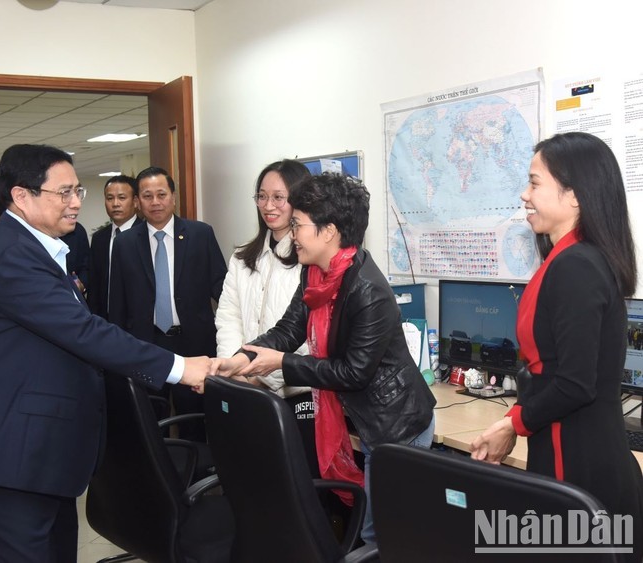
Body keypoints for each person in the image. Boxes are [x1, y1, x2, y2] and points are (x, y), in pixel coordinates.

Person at [0, 145, 213, 563]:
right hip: (8, 458)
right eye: (64, 193)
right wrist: (179, 367)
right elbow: (83, 331)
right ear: (22, 196)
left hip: (39, 456)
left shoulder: (38, 248)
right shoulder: (13, 256)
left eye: (77, 192)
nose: (75, 203)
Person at [213, 172, 436, 546]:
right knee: (373, 531)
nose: (293, 233)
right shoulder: (317, 272)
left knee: (383, 536)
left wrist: (281, 364)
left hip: (398, 426)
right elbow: (288, 329)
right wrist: (242, 357)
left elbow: (353, 372)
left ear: (328, 231)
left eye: (298, 224)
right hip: (370, 421)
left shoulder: (368, 290)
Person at [470, 132, 643, 559]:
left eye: (534, 183)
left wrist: (514, 424)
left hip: (578, 459)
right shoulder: (571, 259)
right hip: (570, 446)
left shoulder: (577, 266)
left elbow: (575, 382)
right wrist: (518, 419)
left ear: (575, 196)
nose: (524, 194)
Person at [215, 159, 318, 474]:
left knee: (299, 484)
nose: (268, 205)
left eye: (278, 197)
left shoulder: (311, 261)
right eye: (262, 196)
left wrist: (263, 376)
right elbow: (228, 317)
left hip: (295, 394)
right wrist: (236, 370)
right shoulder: (243, 257)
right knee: (258, 481)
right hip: (247, 386)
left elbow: (305, 334)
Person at [110, 166, 227, 441]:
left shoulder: (200, 234)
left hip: (193, 346)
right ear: (138, 201)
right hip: (145, 345)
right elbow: (118, 304)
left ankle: (197, 478)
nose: (155, 202)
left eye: (161, 194)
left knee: (195, 421)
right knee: (150, 422)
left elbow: (222, 290)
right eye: (147, 196)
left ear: (173, 197)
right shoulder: (125, 243)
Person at [88, 174, 141, 318]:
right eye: (110, 198)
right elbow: (95, 284)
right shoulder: (99, 238)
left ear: (135, 201)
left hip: (140, 319)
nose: (115, 204)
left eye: (122, 198)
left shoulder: (147, 235)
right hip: (105, 319)